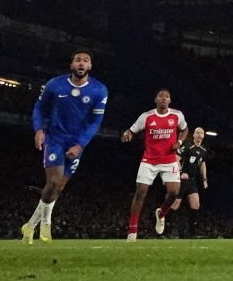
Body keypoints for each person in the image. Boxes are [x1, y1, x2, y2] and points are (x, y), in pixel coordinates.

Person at [21, 50, 108, 244]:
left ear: (90, 66)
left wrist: (81, 144)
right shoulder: (55, 84)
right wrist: (38, 130)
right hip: (55, 138)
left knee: (58, 188)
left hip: (76, 143)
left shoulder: (99, 90)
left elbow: (95, 122)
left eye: (86, 61)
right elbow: (39, 107)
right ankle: (46, 223)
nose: (81, 63)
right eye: (77, 60)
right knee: (53, 181)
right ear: (71, 65)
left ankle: (29, 226)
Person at [121, 89, 188, 241]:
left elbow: (185, 129)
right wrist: (128, 135)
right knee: (140, 192)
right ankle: (132, 231)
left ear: (170, 101)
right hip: (149, 160)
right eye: (161, 96)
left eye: (167, 97)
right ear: (155, 100)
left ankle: (161, 213)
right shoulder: (147, 116)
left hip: (169, 159)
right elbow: (132, 130)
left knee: (173, 193)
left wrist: (179, 142)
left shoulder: (177, 115)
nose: (164, 99)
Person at [170, 127, 209, 237]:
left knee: (196, 204)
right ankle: (164, 227)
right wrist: (181, 172)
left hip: (192, 181)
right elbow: (176, 158)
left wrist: (204, 179)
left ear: (203, 136)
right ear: (194, 135)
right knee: (176, 204)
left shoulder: (203, 150)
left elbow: (202, 164)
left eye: (202, 133)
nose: (200, 135)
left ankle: (192, 233)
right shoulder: (188, 146)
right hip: (182, 180)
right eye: (197, 133)